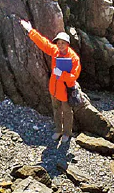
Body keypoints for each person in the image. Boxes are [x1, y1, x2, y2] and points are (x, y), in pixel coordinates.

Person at [21, 19, 79, 147]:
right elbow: (44, 43)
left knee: (67, 112)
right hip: (54, 88)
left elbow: (74, 76)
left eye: (63, 43)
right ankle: (58, 130)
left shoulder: (74, 58)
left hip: (66, 90)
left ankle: (67, 133)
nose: (60, 45)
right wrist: (31, 31)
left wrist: (61, 75)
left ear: (67, 44)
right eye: (58, 43)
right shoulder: (55, 51)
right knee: (56, 109)